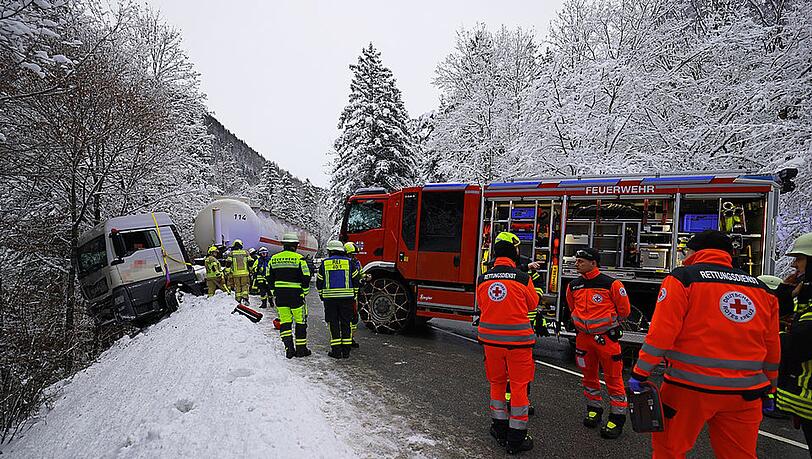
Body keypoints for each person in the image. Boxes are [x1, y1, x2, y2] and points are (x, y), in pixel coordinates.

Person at [629, 230, 780, 459]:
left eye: (686, 251)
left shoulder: (683, 278)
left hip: (688, 389)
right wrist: (771, 388)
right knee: (739, 455)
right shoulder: (761, 289)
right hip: (745, 393)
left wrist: (640, 372)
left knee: (669, 451)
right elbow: (772, 345)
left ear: (695, 252)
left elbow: (662, 333)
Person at [476, 231, 538, 454]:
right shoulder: (522, 278)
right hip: (518, 344)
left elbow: (482, 304)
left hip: (490, 343)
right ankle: (516, 438)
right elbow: (532, 304)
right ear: (514, 254)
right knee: (519, 387)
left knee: (497, 383)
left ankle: (499, 428)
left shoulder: (483, 278)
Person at [566, 247, 630, 439]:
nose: (577, 264)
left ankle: (617, 418)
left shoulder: (611, 284)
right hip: (583, 339)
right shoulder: (573, 286)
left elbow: (624, 311)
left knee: (613, 378)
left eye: (581, 261)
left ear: (593, 263)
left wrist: (606, 325)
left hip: (606, 339)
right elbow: (572, 307)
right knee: (588, 377)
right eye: (576, 261)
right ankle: (594, 409)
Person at [775, 232, 812, 451]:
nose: (794, 265)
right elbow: (782, 316)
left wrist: (775, 337)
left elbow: (797, 345)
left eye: (799, 259)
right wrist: (785, 293)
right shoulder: (805, 298)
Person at [267, 233, 312, 359]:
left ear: (284, 245)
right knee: (300, 322)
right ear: (295, 246)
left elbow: (269, 277)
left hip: (280, 296)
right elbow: (306, 276)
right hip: (296, 296)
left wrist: (274, 292)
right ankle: (301, 350)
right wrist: (304, 291)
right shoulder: (299, 259)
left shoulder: (274, 259)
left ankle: (289, 349)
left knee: (285, 322)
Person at [317, 240, 361, 358]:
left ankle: (336, 351)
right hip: (347, 298)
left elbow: (319, 281)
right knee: (346, 323)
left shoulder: (325, 263)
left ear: (330, 251)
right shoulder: (349, 262)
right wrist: (354, 294)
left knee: (333, 323)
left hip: (330, 300)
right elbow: (356, 280)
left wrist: (321, 295)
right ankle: (346, 351)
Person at [344, 241, 362, 348]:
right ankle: (346, 339)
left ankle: (351, 338)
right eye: (352, 255)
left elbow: (360, 274)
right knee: (347, 318)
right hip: (347, 295)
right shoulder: (345, 264)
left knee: (354, 318)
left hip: (355, 294)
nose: (354, 257)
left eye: (354, 255)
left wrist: (364, 277)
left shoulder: (356, 263)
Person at [227, 239, 251, 305]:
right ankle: (245, 299)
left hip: (235, 274)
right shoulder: (245, 252)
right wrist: (251, 270)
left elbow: (228, 263)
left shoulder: (231, 253)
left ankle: (238, 300)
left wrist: (228, 272)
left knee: (237, 286)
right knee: (244, 286)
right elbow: (250, 262)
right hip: (245, 273)